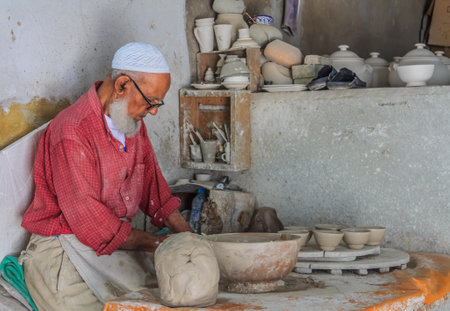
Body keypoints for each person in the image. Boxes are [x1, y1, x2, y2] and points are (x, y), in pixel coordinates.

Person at [19, 42, 192, 311]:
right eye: (151, 102)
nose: (154, 111)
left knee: (173, 296)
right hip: (62, 253)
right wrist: (162, 244)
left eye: (159, 103)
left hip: (110, 245)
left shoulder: (132, 122)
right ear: (122, 85)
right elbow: (91, 223)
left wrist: (189, 237)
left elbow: (153, 190)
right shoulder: (72, 130)